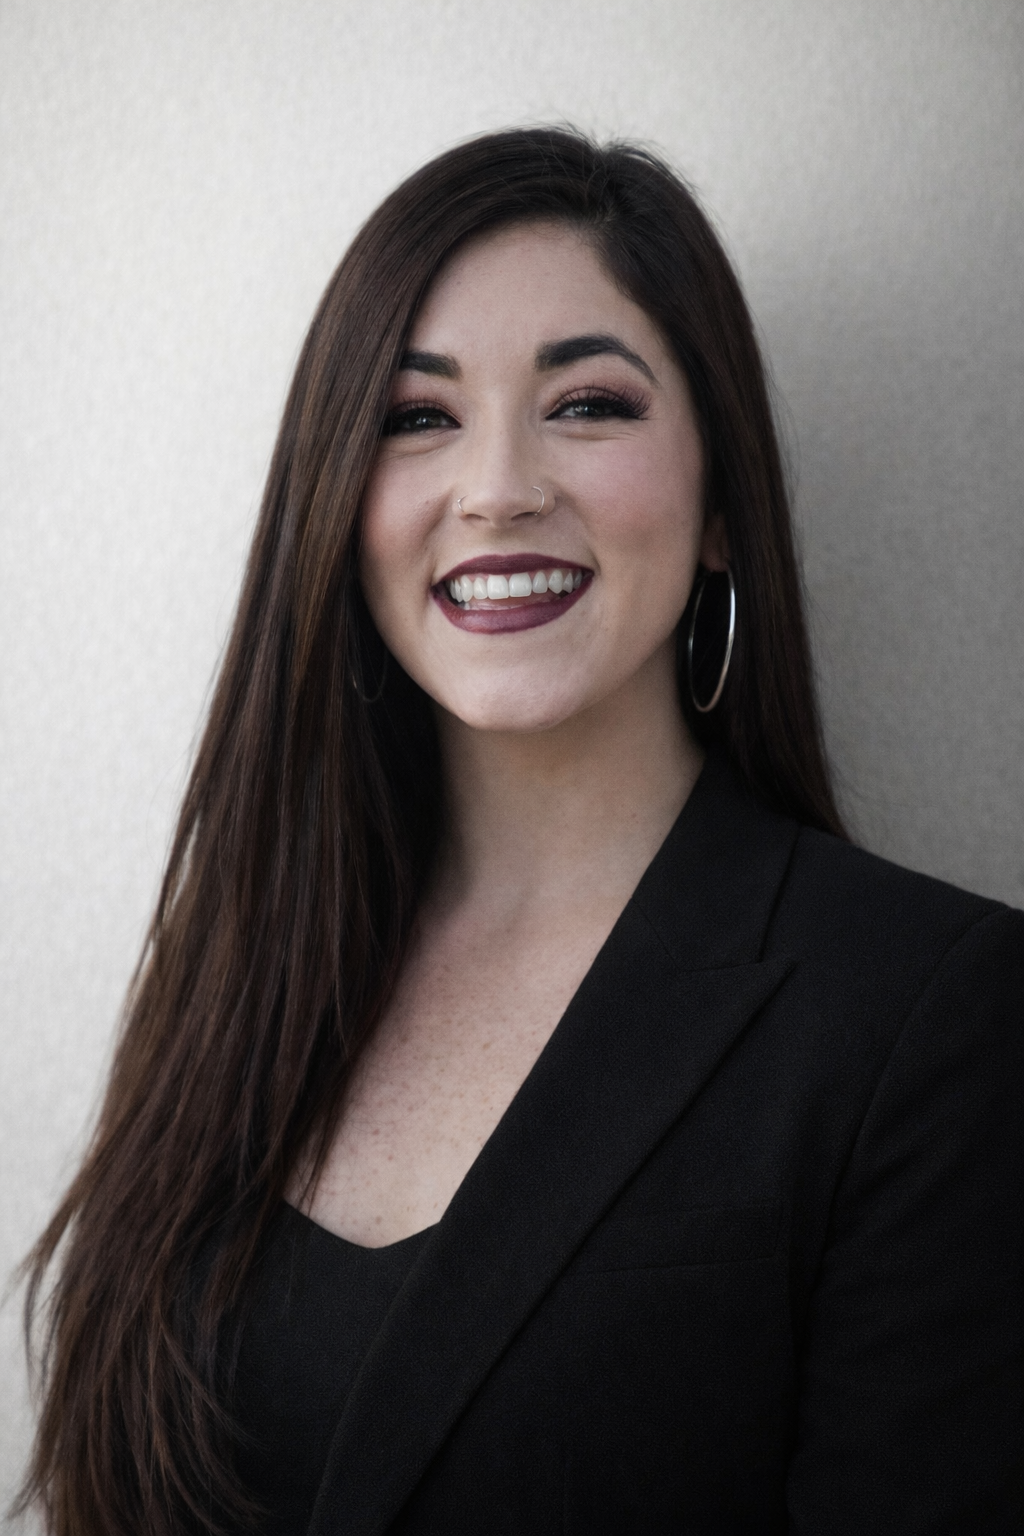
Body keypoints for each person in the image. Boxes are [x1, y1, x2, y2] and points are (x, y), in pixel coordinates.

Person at [17, 127, 1021, 1536]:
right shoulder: (247, 965)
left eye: (590, 405)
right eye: (417, 418)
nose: (495, 486)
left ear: (723, 504)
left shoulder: (933, 1015)